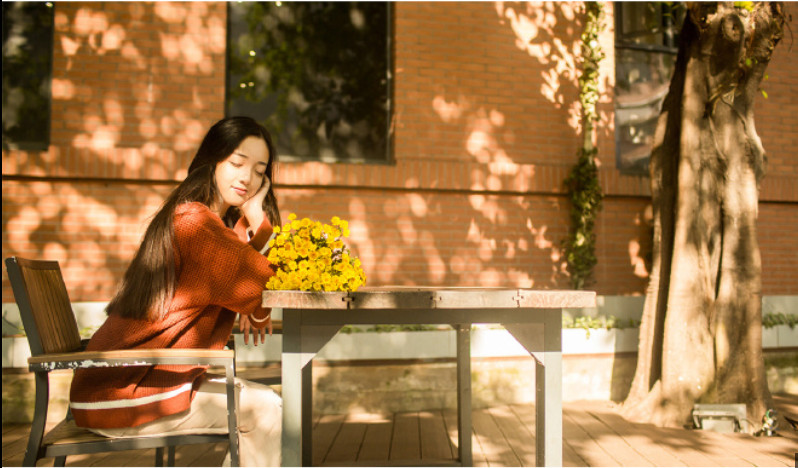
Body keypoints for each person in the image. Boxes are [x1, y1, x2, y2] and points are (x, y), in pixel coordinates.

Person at [69, 116, 283, 467]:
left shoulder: (199, 221)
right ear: (210, 161)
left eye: (260, 171)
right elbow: (263, 282)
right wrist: (257, 217)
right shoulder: (196, 225)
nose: (248, 178)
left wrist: (253, 301)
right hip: (125, 388)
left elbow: (253, 287)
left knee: (265, 404)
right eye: (237, 163)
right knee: (266, 409)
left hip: (127, 380)